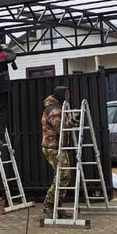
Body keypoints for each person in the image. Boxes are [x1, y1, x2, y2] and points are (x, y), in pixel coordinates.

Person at [40, 86, 77, 215]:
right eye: (66, 94)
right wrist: (73, 121)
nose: (68, 96)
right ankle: (49, 204)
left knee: (64, 176)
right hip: (53, 147)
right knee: (63, 175)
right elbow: (59, 128)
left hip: (57, 146)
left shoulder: (57, 107)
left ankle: (57, 206)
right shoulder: (54, 110)